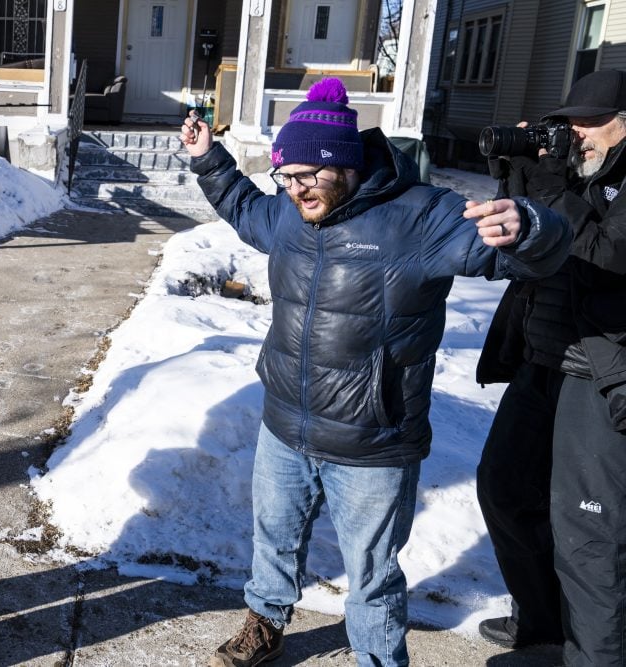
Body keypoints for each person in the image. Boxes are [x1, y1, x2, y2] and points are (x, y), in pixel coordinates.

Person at [179, 78, 571, 667]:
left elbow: (517, 249)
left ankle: (379, 660)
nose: (294, 189)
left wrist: (532, 228)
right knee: (273, 542)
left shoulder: (420, 217)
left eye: (308, 175)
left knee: (372, 572)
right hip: (285, 423)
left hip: (374, 441)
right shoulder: (290, 213)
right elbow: (242, 204)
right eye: (285, 177)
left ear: (345, 165)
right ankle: (265, 623)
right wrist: (209, 157)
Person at [475, 68, 626, 666]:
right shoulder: (573, 170)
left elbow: (609, 255)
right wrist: (522, 173)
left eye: (591, 123)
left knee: (590, 535)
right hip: (545, 357)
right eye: (571, 122)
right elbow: (527, 242)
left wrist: (552, 187)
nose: (577, 134)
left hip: (602, 368)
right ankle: (542, 622)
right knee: (504, 487)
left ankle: (597, 657)